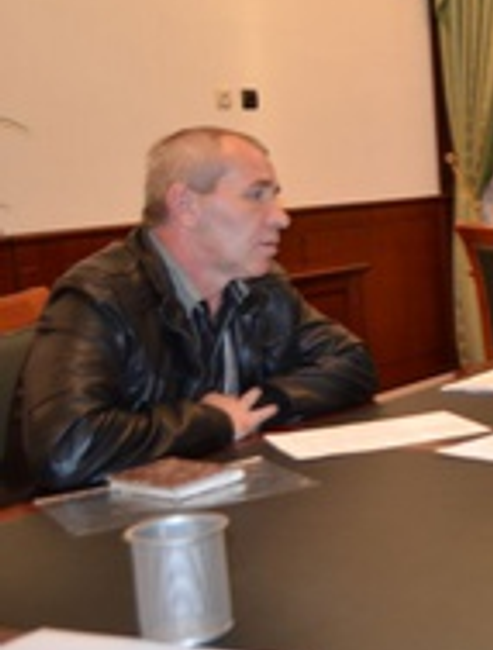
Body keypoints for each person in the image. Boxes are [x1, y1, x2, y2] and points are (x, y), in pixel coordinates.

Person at [15, 126, 378, 493]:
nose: (281, 217)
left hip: (221, 492)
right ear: (186, 205)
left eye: (275, 196)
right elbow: (67, 448)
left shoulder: (262, 286)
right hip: (99, 519)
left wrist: (255, 407)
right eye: (256, 195)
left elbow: (352, 362)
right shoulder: (100, 295)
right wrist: (213, 422)